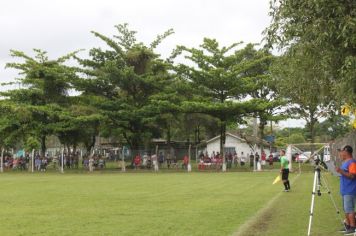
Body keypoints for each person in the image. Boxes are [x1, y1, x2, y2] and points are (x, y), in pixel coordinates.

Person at [336, 145, 356, 235]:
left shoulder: (352, 162)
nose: (340, 153)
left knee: (349, 209)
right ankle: (347, 226)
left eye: (341, 151)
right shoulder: (345, 162)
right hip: (344, 189)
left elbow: (352, 176)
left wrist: (341, 171)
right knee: (346, 209)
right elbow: (344, 174)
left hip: (350, 189)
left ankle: (352, 227)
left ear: (346, 151)